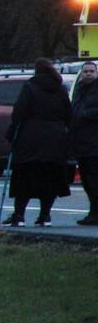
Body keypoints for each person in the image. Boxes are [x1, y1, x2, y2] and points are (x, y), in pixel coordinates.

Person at [2, 58, 72, 227]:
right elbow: (68, 113)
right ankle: (45, 215)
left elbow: (19, 112)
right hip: (55, 138)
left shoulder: (30, 87)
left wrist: (13, 133)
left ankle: (19, 215)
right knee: (50, 176)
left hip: (30, 137)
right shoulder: (60, 89)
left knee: (25, 177)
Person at [70, 61, 98, 225]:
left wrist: (86, 114)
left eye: (91, 71)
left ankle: (95, 212)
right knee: (87, 180)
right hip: (81, 141)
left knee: (94, 179)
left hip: (94, 141)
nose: (88, 74)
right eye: (85, 71)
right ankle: (93, 211)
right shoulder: (79, 89)